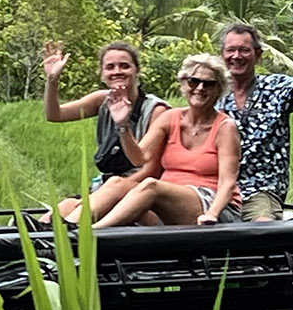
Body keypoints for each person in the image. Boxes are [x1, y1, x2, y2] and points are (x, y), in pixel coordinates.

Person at [95, 52, 241, 227]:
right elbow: (138, 158)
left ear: (219, 89)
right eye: (194, 81)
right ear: (184, 84)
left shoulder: (225, 127)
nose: (200, 88)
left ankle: (91, 233)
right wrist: (123, 125)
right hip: (166, 204)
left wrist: (212, 214)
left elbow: (228, 182)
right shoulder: (170, 117)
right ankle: (66, 230)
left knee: (151, 186)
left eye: (208, 84)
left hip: (211, 204)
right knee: (117, 183)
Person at [41, 40, 168, 225]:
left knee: (113, 186)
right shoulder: (102, 100)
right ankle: (37, 237)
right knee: (66, 206)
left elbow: (150, 170)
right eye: (110, 67)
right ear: (102, 74)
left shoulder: (156, 110)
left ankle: (70, 234)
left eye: (124, 66)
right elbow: (54, 114)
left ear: (137, 70)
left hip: (140, 192)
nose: (117, 71)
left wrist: (105, 192)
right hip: (106, 186)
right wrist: (52, 80)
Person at [217, 14, 293, 222]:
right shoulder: (212, 93)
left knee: (262, 230)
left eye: (244, 50)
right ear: (222, 55)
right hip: (216, 185)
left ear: (258, 55)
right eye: (231, 50)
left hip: (260, 188)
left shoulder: (275, 87)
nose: (237, 56)